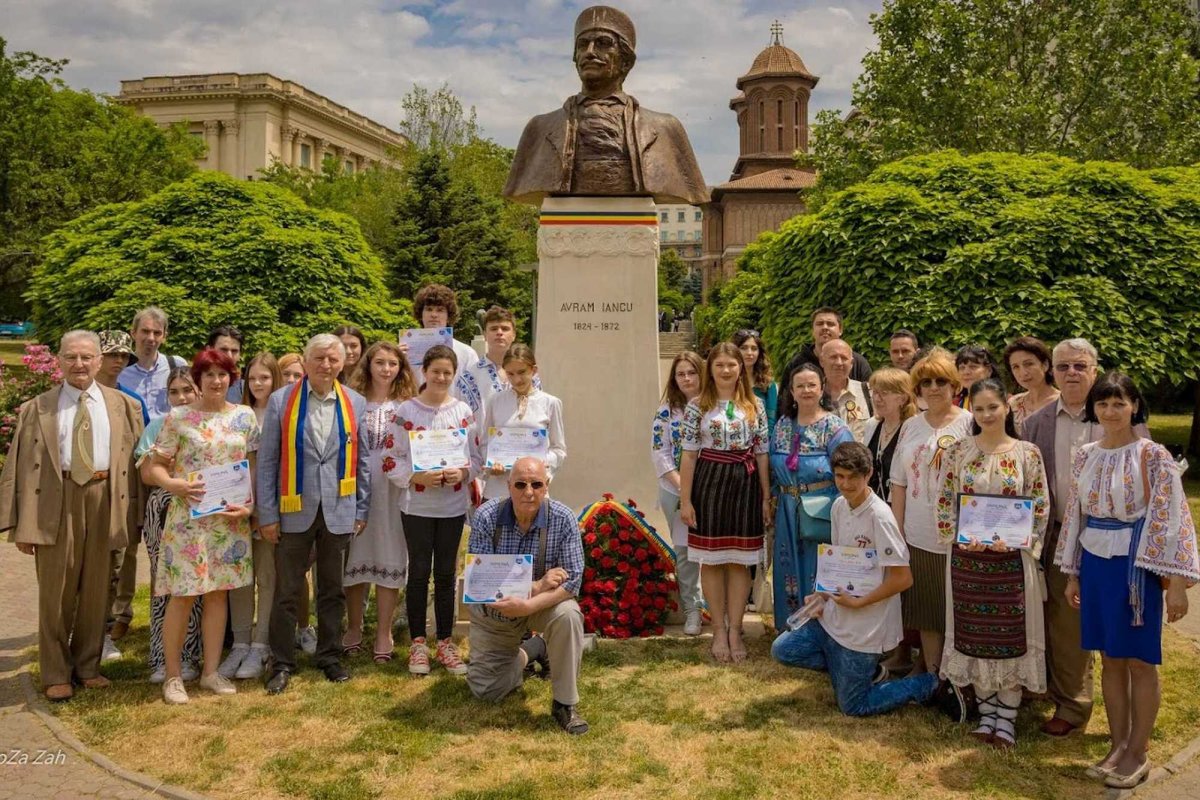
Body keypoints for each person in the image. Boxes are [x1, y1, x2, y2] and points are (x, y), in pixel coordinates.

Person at [1055, 372, 1197, 788]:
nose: (1110, 411)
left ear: (1134, 405)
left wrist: (1173, 583)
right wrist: (1073, 572)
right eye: (1103, 404)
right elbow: (1078, 515)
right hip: (1097, 564)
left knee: (1139, 659)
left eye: (1119, 403)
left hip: (1137, 566)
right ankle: (1117, 745)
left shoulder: (1152, 455)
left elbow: (1172, 519)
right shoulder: (1086, 455)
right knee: (1110, 658)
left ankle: (1138, 750)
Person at [1, 330, 143, 702]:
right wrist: (18, 524)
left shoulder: (124, 406)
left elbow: (137, 464)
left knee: (99, 588)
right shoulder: (38, 408)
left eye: (86, 357)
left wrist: (138, 515)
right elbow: (17, 467)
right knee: (56, 592)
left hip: (105, 496)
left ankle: (87, 666)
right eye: (71, 357)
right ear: (59, 361)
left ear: (99, 360)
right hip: (55, 499)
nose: (79, 364)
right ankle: (54, 672)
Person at [1021, 338, 1149, 737]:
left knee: (1107, 623)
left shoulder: (1115, 414)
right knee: (1062, 620)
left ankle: (1112, 710)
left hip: (1117, 540)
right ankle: (1069, 702)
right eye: (1063, 367)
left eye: (1080, 366)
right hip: (1060, 533)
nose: (1071, 373)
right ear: (1052, 372)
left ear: (1094, 370)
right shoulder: (1036, 422)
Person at [771, 442, 948, 717]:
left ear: (868, 475)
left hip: (866, 626)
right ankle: (863, 671)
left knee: (854, 706)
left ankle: (929, 683)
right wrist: (821, 594)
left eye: (854, 477)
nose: (846, 483)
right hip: (833, 618)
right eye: (840, 476)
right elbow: (838, 563)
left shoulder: (880, 516)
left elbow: (903, 579)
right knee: (783, 649)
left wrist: (859, 602)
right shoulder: (839, 506)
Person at [936, 378, 1050, 749]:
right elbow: (944, 502)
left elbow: (1040, 504)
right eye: (979, 408)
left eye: (992, 407)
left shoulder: (1027, 453)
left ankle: (1008, 720)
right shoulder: (957, 452)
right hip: (968, 559)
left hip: (1012, 561)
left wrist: (1022, 543)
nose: (986, 414)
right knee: (974, 637)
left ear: (1007, 408)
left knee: (1010, 639)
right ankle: (986, 716)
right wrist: (960, 537)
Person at [142, 347, 259, 704]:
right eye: (209, 374)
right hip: (188, 523)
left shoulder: (245, 416)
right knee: (182, 596)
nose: (216, 381)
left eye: (223, 374)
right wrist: (174, 484)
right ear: (198, 379)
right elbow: (153, 467)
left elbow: (251, 465)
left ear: (231, 379)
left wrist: (248, 505)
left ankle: (210, 672)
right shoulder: (178, 418)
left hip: (228, 522)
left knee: (218, 593)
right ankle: (173, 676)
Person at [503, 6, 708, 206]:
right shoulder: (539, 128)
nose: (590, 52)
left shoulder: (666, 129)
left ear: (626, 61)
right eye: (582, 45)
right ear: (575, 59)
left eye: (603, 43)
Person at [258, 334, 371, 694]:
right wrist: (268, 513)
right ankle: (281, 661)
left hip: (340, 508)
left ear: (343, 364)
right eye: (319, 358)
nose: (326, 365)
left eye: (333, 359)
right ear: (306, 362)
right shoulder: (281, 401)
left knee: (333, 588)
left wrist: (362, 507)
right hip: (294, 509)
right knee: (286, 590)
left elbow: (364, 459)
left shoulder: (355, 402)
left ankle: (329, 655)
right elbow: (268, 463)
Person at [466, 457, 589, 734]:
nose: (528, 491)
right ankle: (533, 650)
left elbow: (573, 582)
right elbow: (478, 584)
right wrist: (536, 585)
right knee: (486, 691)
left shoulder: (564, 518)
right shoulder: (486, 516)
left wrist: (528, 604)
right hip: (494, 610)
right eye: (520, 484)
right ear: (508, 487)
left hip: (539, 607)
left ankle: (565, 704)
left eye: (536, 484)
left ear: (546, 487)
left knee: (569, 615)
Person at [384, 344, 478, 676]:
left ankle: (445, 643)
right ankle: (418, 644)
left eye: (447, 373)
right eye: (435, 371)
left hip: (451, 505)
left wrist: (463, 473)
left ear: (454, 376)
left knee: (446, 575)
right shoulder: (406, 411)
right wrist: (414, 476)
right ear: (424, 371)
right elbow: (390, 457)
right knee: (419, 572)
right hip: (417, 504)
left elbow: (476, 456)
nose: (441, 377)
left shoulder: (463, 412)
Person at [679, 343, 770, 664]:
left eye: (732, 364)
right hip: (710, 481)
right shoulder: (696, 407)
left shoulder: (755, 405)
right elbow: (688, 455)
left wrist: (764, 496)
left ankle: (736, 630)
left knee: (739, 560)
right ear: (711, 369)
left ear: (740, 368)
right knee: (713, 560)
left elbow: (761, 452)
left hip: (745, 484)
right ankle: (718, 629)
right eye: (720, 365)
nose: (727, 370)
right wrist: (685, 500)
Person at [889, 348, 972, 677]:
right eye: (926, 382)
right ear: (918, 389)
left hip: (959, 534)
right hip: (918, 531)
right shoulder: (910, 426)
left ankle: (957, 677)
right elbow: (898, 482)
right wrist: (897, 531)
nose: (934, 388)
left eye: (941, 381)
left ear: (954, 385)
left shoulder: (970, 423)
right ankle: (933, 677)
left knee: (955, 608)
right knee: (926, 608)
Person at [343, 341, 418, 663]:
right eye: (380, 363)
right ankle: (354, 625)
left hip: (393, 488)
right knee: (354, 553)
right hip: (357, 484)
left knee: (390, 551)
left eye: (393, 363)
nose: (386, 369)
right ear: (368, 365)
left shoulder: (406, 406)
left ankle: (384, 630)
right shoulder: (353, 402)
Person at [770, 363, 854, 632]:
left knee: (819, 567)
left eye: (811, 385)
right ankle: (791, 629)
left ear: (821, 388)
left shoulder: (834, 426)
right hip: (786, 508)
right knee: (786, 565)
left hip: (821, 510)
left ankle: (822, 631)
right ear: (791, 391)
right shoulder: (782, 424)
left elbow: (850, 469)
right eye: (800, 386)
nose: (806, 390)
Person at [218, 352, 282, 680]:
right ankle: (240, 644)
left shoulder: (282, 413)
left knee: (267, 577)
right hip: (235, 511)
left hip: (268, 510)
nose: (258, 384)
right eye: (252, 378)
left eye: (265, 378)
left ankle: (261, 644)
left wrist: (263, 509)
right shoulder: (237, 415)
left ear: (276, 379)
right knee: (240, 579)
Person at [137, 367, 203, 684]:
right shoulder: (157, 425)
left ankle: (190, 655)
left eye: (187, 390)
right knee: (165, 586)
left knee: (197, 588)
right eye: (174, 391)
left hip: (200, 508)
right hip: (164, 508)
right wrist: (175, 482)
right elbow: (147, 472)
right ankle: (160, 659)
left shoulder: (209, 423)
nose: (181, 397)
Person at [97, 330, 148, 655]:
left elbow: (140, 453)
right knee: (97, 565)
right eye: (111, 354)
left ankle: (118, 618)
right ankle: (93, 625)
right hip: (92, 493)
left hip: (125, 495)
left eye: (123, 356)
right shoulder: (83, 398)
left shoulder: (132, 402)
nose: (117, 361)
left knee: (124, 560)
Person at [650, 350, 705, 636]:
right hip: (674, 489)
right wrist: (685, 489)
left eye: (691, 372)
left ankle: (716, 606)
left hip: (711, 490)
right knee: (684, 553)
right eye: (680, 373)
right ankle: (692, 609)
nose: (686, 378)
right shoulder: (666, 411)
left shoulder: (714, 406)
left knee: (714, 551)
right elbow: (661, 454)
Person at [478, 344, 565, 501]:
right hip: (499, 490)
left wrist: (541, 465)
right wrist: (492, 463)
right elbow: (485, 443)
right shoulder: (495, 401)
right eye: (510, 374)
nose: (516, 379)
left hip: (533, 492)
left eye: (522, 372)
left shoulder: (550, 403)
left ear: (534, 370)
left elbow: (558, 449)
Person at [455, 306, 541, 417]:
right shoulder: (470, 376)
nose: (499, 332)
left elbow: (538, 409)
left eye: (505, 329)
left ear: (514, 335)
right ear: (485, 334)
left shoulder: (529, 373)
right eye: (494, 329)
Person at [119, 306, 187, 420]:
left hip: (167, 435)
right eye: (145, 331)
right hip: (132, 436)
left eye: (157, 333)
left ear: (164, 336)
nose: (151, 338)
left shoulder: (176, 366)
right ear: (133, 333)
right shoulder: (120, 369)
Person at [863, 368, 918, 501]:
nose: (877, 399)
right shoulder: (872, 425)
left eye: (884, 393)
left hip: (901, 506)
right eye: (875, 392)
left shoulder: (914, 428)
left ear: (903, 398)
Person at [409, 284, 478, 383]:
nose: (434, 315)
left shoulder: (467, 354)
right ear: (420, 314)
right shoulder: (407, 351)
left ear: (448, 315)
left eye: (440, 310)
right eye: (429, 309)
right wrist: (398, 360)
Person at [783, 308, 872, 383]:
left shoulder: (858, 363)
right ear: (812, 330)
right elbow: (784, 401)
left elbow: (870, 397)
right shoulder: (796, 364)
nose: (825, 327)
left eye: (830, 324)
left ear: (840, 330)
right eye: (820, 324)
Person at [1004, 336, 1059, 434]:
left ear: (1045, 365)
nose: (1023, 373)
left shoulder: (1062, 402)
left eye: (1029, 364)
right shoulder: (1013, 404)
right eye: (1016, 367)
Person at [820, 339, 871, 442]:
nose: (839, 363)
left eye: (844, 358)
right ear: (822, 361)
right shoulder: (812, 395)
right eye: (833, 357)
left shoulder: (868, 392)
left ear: (851, 363)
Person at [733, 328, 777, 431]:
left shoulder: (768, 384)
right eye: (744, 348)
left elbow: (771, 419)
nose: (749, 353)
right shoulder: (728, 381)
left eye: (754, 348)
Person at [207, 325, 245, 403]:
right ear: (209, 349)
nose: (229, 356)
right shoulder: (192, 385)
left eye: (234, 351)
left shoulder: (246, 388)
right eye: (223, 350)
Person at [953, 345, 998, 409]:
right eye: (962, 368)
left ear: (989, 370)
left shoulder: (1005, 400)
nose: (966, 372)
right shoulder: (955, 405)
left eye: (973, 367)